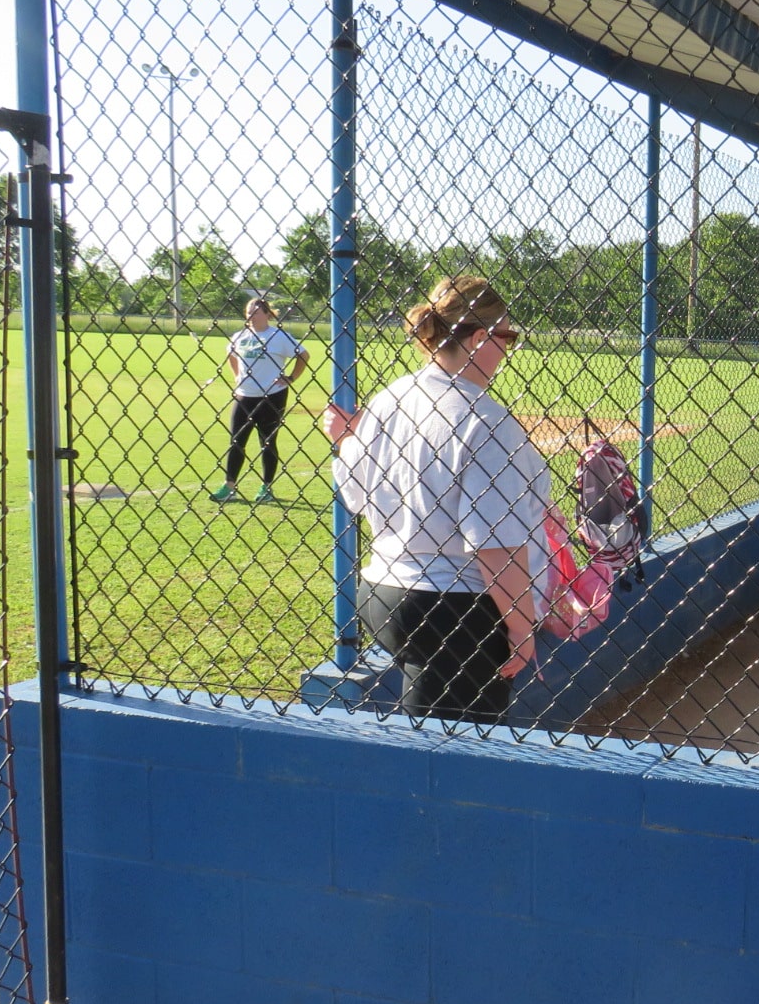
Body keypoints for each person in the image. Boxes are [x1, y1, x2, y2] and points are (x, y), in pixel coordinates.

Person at [322, 276, 546, 723]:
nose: (508, 349)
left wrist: (346, 442)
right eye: (508, 337)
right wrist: (521, 626)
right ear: (480, 338)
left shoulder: (391, 399)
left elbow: (356, 493)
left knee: (427, 726)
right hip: (456, 608)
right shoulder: (485, 420)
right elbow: (494, 545)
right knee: (458, 755)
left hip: (383, 592)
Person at [212, 296, 309, 503]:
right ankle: (229, 486)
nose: (251, 315)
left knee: (267, 441)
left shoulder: (279, 337)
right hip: (244, 396)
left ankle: (266, 487)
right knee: (237, 441)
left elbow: (303, 355)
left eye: (256, 311)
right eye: (248, 311)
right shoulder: (240, 336)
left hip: (272, 396)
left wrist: (291, 377)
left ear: (267, 314)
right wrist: (237, 377)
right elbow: (230, 354)